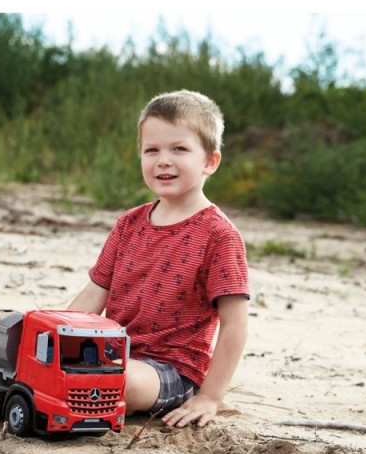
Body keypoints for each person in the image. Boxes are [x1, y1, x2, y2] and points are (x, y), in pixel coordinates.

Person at [68, 89, 250, 428]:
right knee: (53, 361)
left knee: (118, 382)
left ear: (210, 162)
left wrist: (210, 397)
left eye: (179, 149)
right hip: (112, 352)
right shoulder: (129, 223)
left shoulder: (219, 235)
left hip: (172, 370)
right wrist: (58, 334)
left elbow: (235, 324)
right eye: (152, 150)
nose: (163, 160)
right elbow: (94, 293)